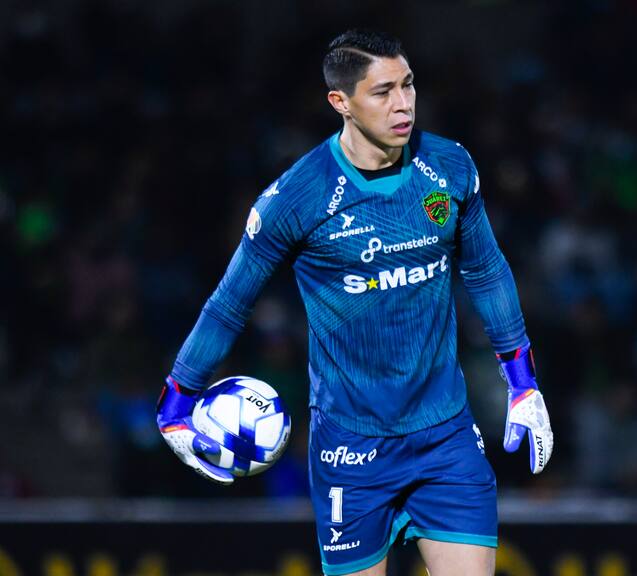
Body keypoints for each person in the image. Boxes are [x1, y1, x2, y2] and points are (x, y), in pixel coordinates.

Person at [156, 29, 553, 576]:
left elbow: (485, 268)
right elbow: (229, 303)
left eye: (409, 84)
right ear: (340, 102)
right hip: (351, 450)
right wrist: (178, 397)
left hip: (446, 437)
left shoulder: (450, 167)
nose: (404, 103)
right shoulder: (297, 198)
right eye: (383, 90)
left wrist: (522, 379)